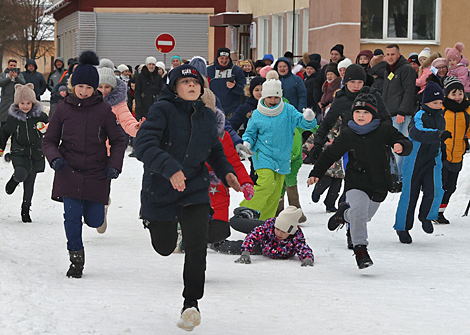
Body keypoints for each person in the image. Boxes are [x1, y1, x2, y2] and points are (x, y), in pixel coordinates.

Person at [134, 64, 241, 332]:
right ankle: (153, 223)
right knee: (165, 246)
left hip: (194, 187)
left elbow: (215, 150)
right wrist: (170, 169)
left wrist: (227, 172)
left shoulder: (206, 116)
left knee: (196, 244)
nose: (191, 86)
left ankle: (191, 303)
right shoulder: (162, 110)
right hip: (160, 187)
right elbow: (143, 145)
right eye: (185, 82)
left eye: (195, 83)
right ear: (174, 87)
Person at [42, 50, 126, 278]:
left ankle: (101, 211)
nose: (84, 91)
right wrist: (55, 158)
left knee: (94, 219)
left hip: (97, 172)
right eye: (80, 86)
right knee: (72, 217)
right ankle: (76, 260)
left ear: (95, 88)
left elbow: (119, 140)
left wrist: (114, 165)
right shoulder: (62, 109)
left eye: (89, 88)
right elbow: (49, 140)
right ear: (73, 85)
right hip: (68, 170)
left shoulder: (103, 110)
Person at [308, 93, 412, 269]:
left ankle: (343, 215)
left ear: (373, 114)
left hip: (379, 183)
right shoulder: (348, 133)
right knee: (359, 212)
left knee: (363, 217)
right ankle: (360, 251)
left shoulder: (384, 130)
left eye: (365, 112)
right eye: (358, 112)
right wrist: (315, 172)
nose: (361, 116)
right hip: (356, 180)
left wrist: (401, 146)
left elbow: (404, 141)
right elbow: (330, 154)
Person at [239, 70, 316, 220]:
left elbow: (302, 122)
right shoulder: (257, 114)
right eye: (269, 97)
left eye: (276, 96)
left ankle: (264, 221)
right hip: (263, 154)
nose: (273, 100)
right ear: (263, 97)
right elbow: (250, 133)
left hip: (282, 156)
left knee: (276, 191)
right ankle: (246, 209)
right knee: (267, 183)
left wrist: (309, 118)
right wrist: (246, 144)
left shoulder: (287, 110)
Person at [394, 82, 448, 244]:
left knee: (436, 190)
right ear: (426, 103)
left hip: (432, 160)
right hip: (414, 160)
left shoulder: (441, 117)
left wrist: (443, 147)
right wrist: (437, 135)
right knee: (410, 195)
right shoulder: (420, 115)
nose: (438, 106)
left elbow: (441, 138)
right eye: (435, 103)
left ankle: (426, 216)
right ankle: (402, 228)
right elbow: (417, 133)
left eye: (440, 103)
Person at [97, 60, 144, 233]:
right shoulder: (87, 100)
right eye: (100, 86)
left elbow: (127, 120)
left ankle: (102, 205)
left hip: (107, 152)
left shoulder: (118, 103)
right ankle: (90, 207)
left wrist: (137, 128)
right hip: (85, 149)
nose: (103, 91)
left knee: (102, 184)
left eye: (107, 87)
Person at [0, 83, 49, 222]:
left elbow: (51, 124)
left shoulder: (40, 116)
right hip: (19, 152)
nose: (25, 106)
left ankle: (25, 210)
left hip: (36, 153)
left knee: (30, 184)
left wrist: (45, 127)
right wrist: (1, 147)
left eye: (28, 103)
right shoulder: (13, 118)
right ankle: (14, 181)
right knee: (21, 173)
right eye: (22, 103)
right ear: (17, 103)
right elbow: (3, 133)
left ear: (33, 102)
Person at [212, 206, 314, 266]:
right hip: (264, 235)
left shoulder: (296, 237)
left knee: (231, 248)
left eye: (283, 232)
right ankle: (247, 213)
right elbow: (253, 236)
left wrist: (307, 258)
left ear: (291, 232)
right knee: (234, 222)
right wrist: (246, 252)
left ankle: (212, 242)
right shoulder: (269, 226)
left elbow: (303, 248)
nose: (279, 233)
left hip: (263, 248)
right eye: (277, 229)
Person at [434, 77, 470, 224]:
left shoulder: (467, 110)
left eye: (460, 93)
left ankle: (440, 212)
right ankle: (432, 211)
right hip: (441, 154)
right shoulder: (441, 109)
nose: (457, 97)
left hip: (458, 154)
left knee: (451, 186)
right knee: (440, 185)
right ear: (446, 94)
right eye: (453, 93)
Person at [382, 44, 417, 184]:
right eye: (388, 54)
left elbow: (409, 92)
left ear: (398, 54)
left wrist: (402, 112)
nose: (390, 57)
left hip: (400, 115)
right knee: (390, 147)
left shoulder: (406, 69)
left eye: (392, 54)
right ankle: (392, 175)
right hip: (388, 114)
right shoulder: (389, 70)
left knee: (398, 146)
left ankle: (400, 178)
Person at [207, 47, 245, 118]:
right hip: (214, 109)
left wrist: (234, 86)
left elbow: (244, 90)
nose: (224, 60)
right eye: (222, 58)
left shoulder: (237, 70)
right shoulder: (209, 71)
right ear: (217, 58)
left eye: (226, 58)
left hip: (233, 110)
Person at [134, 56, 163, 121]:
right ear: (146, 65)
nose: (151, 66)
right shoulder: (140, 77)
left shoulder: (158, 77)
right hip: (143, 106)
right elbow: (137, 92)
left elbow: (162, 90)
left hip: (156, 105)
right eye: (149, 64)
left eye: (153, 64)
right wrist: (139, 106)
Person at [0, 59, 26, 126]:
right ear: (8, 65)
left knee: (15, 118)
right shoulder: (3, 74)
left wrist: (17, 78)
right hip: (5, 100)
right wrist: (9, 78)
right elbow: (1, 83)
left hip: (16, 99)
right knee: (4, 118)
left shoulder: (19, 74)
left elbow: (24, 83)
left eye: (14, 65)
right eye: (11, 65)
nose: (12, 67)